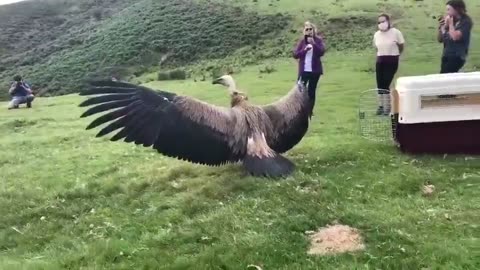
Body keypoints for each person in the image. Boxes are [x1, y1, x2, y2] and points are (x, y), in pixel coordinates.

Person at [373, 13, 405, 116]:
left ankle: (388, 107)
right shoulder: (377, 34)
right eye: (379, 22)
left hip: (391, 61)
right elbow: (376, 47)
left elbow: (401, 45)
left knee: (386, 82)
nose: (381, 24)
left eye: (383, 21)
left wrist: (396, 54)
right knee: (380, 83)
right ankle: (381, 106)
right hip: (380, 60)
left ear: (388, 21)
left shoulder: (395, 32)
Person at [293, 21, 326, 110]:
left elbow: (322, 52)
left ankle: (309, 111)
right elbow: (295, 55)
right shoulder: (302, 42)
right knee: (299, 90)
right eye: (307, 29)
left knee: (311, 91)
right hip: (304, 71)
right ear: (304, 31)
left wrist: (314, 44)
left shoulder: (318, 40)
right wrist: (304, 50)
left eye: (310, 29)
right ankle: (299, 109)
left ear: (313, 30)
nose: (309, 31)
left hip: (315, 71)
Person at [437, 0, 473, 73]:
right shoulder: (450, 21)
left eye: (449, 9)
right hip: (446, 55)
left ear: (456, 9)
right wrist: (442, 28)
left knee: (445, 78)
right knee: (445, 78)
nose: (447, 12)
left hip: (457, 56)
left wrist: (450, 24)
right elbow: (440, 39)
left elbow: (455, 37)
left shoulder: (466, 22)